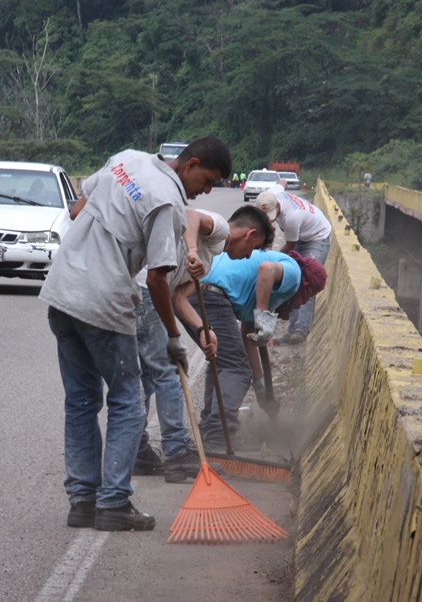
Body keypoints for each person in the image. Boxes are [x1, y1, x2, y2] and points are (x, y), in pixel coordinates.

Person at [41, 137, 231, 532]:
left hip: (62, 289)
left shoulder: (126, 159)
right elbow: (159, 279)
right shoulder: (168, 203)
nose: (207, 191)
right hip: (102, 298)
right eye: (208, 180)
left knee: (81, 400)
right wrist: (174, 337)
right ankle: (112, 503)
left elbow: (78, 209)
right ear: (191, 164)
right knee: (127, 399)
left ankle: (82, 501)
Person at [133, 205, 273, 481]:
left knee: (148, 376)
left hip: (148, 291)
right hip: (144, 288)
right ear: (249, 234)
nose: (246, 256)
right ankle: (176, 453)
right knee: (169, 372)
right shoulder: (219, 227)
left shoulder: (212, 259)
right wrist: (192, 250)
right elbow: (189, 214)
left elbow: (179, 298)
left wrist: (203, 329)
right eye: (251, 248)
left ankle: (137, 449)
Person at [173, 243, 306, 450]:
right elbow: (266, 270)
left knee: (222, 361)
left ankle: (210, 429)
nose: (299, 305)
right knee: (236, 368)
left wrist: (260, 386)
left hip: (193, 294)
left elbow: (247, 334)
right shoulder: (295, 273)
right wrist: (263, 316)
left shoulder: (262, 283)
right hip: (210, 295)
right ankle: (218, 432)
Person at [255, 187, 331, 345]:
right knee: (293, 280)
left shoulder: (291, 217)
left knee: (306, 280)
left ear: (277, 206)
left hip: (317, 236)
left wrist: (273, 259)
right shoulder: (271, 193)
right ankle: (291, 331)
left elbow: (290, 244)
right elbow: (281, 183)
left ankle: (301, 329)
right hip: (300, 235)